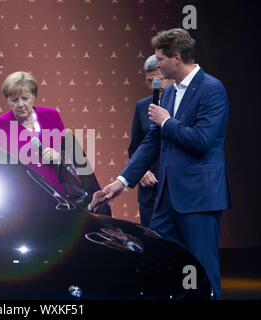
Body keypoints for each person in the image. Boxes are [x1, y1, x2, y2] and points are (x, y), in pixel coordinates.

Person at [91, 28, 232, 299]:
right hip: (166, 201)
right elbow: (151, 143)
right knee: (162, 262)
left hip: (199, 198)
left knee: (202, 267)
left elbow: (202, 141)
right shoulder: (167, 94)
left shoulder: (212, 89)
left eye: (160, 59)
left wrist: (167, 121)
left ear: (177, 58)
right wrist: (122, 182)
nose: (157, 64)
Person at [0, 71, 66, 191]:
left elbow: (71, 158)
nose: (20, 104)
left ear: (34, 96)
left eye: (25, 98)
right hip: (18, 196)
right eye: (14, 100)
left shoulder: (52, 116)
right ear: (7, 100)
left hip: (57, 197)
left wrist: (58, 158)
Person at [129, 55, 174, 227]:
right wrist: (141, 171)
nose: (157, 86)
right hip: (150, 193)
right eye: (150, 81)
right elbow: (134, 148)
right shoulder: (142, 106)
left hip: (177, 190)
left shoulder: (182, 104)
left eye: (160, 80)